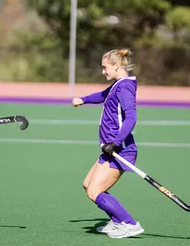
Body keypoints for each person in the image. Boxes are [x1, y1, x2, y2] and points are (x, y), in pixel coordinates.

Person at [72, 49, 144, 239]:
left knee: (95, 191)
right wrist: (84, 100)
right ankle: (117, 221)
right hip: (110, 149)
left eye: (105, 67)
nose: (103, 71)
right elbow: (102, 95)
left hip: (120, 149)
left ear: (116, 66)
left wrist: (115, 142)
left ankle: (129, 223)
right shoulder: (117, 85)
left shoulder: (125, 87)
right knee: (88, 185)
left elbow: (131, 118)